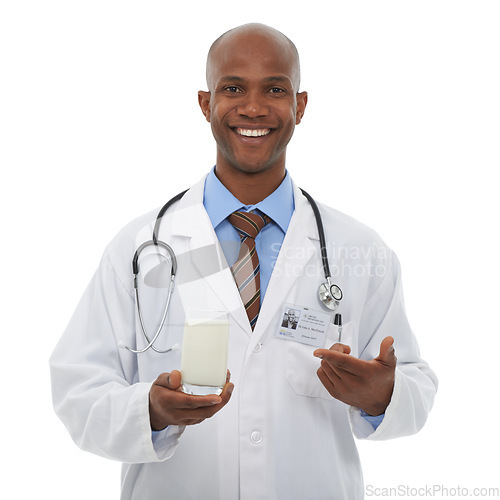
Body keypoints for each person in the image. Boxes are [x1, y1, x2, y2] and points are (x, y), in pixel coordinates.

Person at [50, 23, 437, 500]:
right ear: (205, 103)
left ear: (299, 105)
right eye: (233, 88)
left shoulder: (358, 249)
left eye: (275, 89)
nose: (253, 107)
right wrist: (149, 410)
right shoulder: (141, 248)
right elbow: (76, 390)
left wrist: (383, 396)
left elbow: (416, 386)